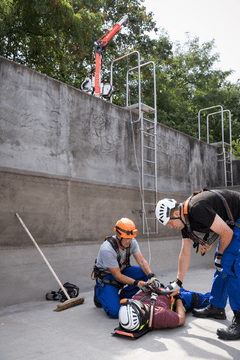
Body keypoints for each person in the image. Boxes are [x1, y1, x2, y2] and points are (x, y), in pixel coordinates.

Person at [155, 188, 240, 340]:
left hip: (238, 219)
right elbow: (185, 252)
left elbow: (227, 233)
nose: (170, 226)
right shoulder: (185, 220)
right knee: (222, 266)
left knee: (229, 263)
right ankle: (217, 307)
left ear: (175, 213)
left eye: (169, 223)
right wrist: (178, 283)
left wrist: (220, 256)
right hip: (232, 223)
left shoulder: (196, 208)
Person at [92, 218, 161, 318]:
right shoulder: (107, 249)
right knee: (115, 312)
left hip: (122, 271)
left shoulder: (131, 241)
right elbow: (117, 275)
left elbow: (141, 261)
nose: (129, 241)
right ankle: (99, 293)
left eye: (131, 238)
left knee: (143, 273)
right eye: (127, 239)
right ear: (118, 236)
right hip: (107, 277)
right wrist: (137, 283)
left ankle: (123, 296)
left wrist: (152, 276)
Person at [117, 287, 210, 336]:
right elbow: (181, 319)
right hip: (175, 300)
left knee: (180, 288)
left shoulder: (135, 300)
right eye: (134, 303)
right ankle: (215, 300)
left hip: (164, 292)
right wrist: (178, 297)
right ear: (142, 312)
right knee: (199, 297)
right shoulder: (161, 316)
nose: (133, 300)